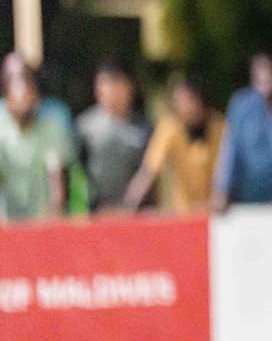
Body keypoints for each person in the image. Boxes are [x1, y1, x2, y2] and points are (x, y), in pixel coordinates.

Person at [211, 53, 272, 209]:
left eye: (271, 78)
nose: (267, 86)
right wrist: (222, 190)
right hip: (245, 200)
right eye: (261, 80)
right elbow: (230, 150)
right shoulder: (241, 105)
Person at [121, 75, 226, 213]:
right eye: (180, 102)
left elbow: (225, 170)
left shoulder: (219, 127)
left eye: (189, 100)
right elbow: (149, 170)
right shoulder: (170, 128)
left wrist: (220, 200)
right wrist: (129, 206)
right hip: (182, 213)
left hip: (215, 213)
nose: (186, 107)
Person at [0, 59, 74, 221]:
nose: (22, 100)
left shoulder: (53, 125)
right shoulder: (2, 130)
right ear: (7, 100)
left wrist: (55, 219)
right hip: (8, 224)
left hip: (43, 223)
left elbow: (56, 176)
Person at [74, 61, 152, 211]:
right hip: (97, 213)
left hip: (136, 214)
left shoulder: (144, 128)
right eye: (106, 84)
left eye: (117, 83)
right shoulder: (85, 128)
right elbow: (78, 175)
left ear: (130, 87)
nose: (113, 90)